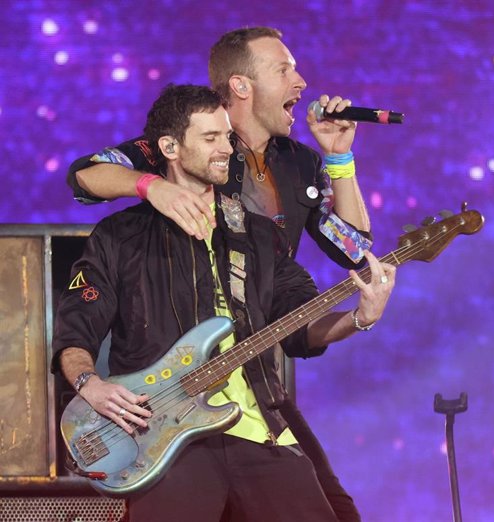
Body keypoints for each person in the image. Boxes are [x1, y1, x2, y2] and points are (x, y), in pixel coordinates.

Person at [66, 27, 371, 521]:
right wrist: (152, 189)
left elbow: (355, 252)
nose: (302, 80)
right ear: (243, 86)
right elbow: (85, 176)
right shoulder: (183, 134)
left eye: (224, 139)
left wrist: (340, 158)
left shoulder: (298, 165)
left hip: (257, 346)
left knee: (333, 506)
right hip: (177, 373)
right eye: (284, 69)